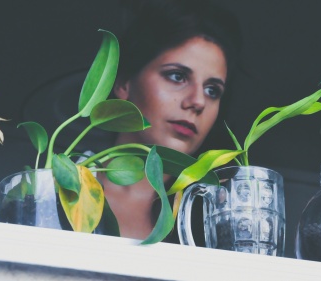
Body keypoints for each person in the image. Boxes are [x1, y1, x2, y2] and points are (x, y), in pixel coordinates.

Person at [96, 0, 242, 240]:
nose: (198, 102)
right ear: (124, 83)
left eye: (212, 90)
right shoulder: (56, 192)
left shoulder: (217, 219)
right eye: (177, 76)